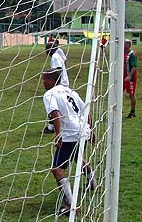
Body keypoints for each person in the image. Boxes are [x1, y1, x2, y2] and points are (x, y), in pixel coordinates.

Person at [42, 68, 96, 216]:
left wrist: (58, 134)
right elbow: (85, 110)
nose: (43, 82)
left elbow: (55, 113)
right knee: (76, 158)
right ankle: (92, 180)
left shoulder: (49, 94)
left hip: (69, 134)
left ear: (52, 80)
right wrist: (90, 130)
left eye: (44, 79)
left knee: (57, 169)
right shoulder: (71, 91)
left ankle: (70, 205)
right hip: (82, 131)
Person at [43, 42, 69, 134]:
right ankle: (51, 127)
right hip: (62, 83)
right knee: (55, 105)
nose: (46, 52)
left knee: (53, 105)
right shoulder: (56, 56)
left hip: (61, 84)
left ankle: (51, 128)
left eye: (46, 50)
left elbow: (58, 70)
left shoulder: (55, 57)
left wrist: (55, 84)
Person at [124, 39, 138, 118]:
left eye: (124, 43)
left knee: (131, 94)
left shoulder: (132, 54)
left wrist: (129, 76)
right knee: (118, 93)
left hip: (130, 78)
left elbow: (134, 66)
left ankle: (132, 112)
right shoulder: (123, 53)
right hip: (123, 77)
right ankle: (119, 110)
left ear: (128, 45)